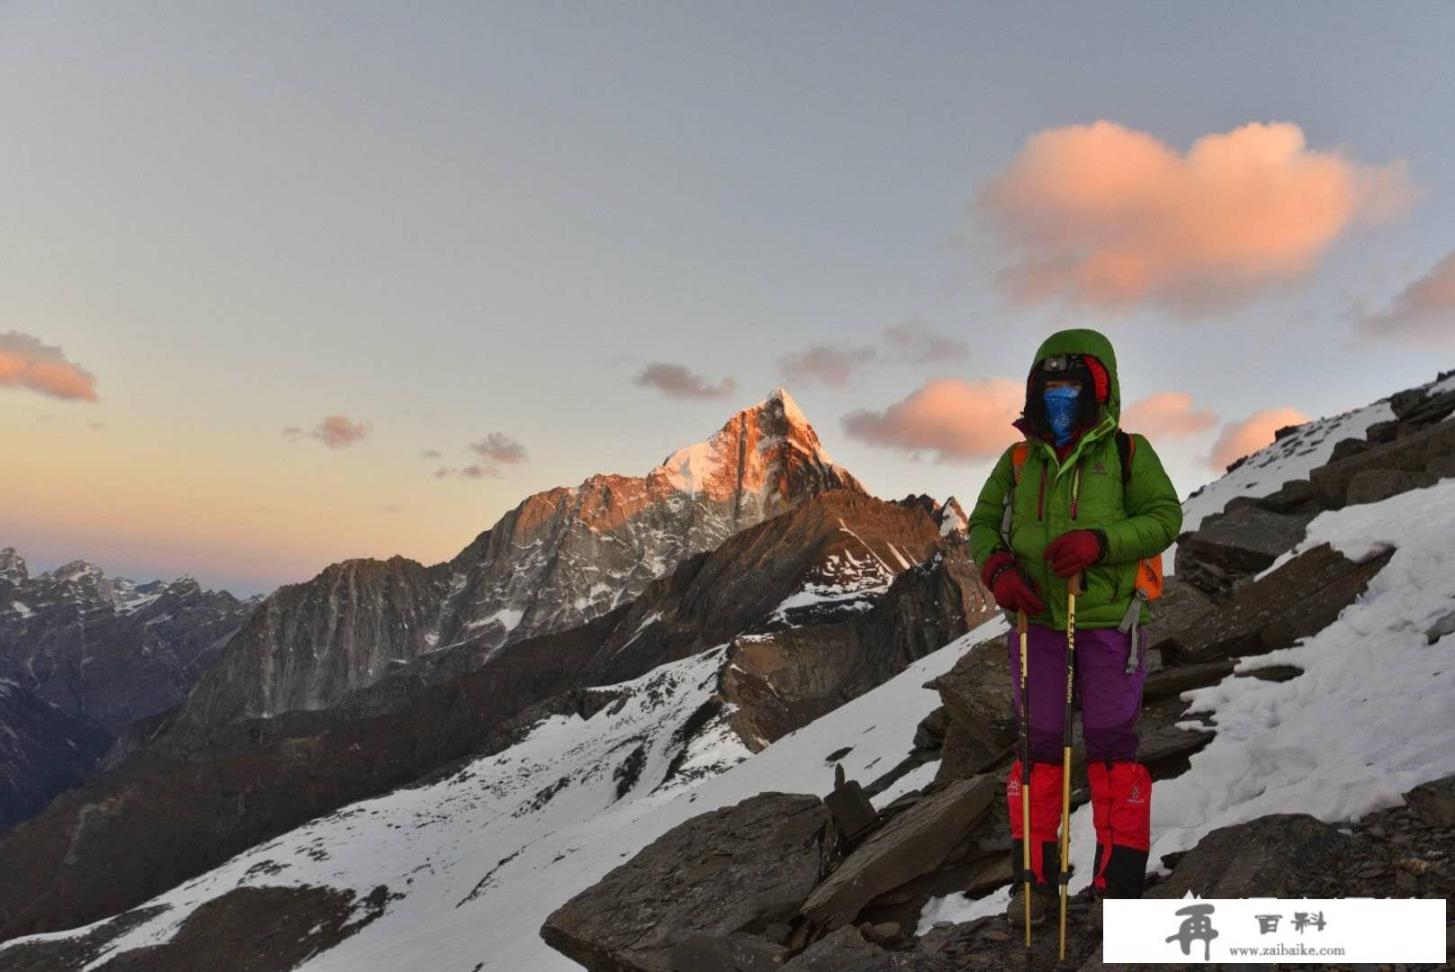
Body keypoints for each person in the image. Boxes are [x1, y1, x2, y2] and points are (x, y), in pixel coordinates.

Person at [966, 327, 1182, 928]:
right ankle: (1032, 884)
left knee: (1113, 747)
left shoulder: (1129, 453)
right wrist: (999, 567)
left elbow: (1165, 518)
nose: (1061, 396)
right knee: (1038, 747)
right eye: (1051, 384)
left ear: (1099, 388)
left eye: (1072, 385)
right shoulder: (1016, 461)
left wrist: (1101, 543)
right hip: (1037, 622)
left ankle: (1119, 886)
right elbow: (982, 523)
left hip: (1111, 622)